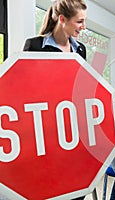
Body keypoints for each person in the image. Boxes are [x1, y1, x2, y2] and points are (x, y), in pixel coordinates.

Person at [23, 1, 87, 199]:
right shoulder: (34, 45)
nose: (83, 27)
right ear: (62, 19)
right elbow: (25, 89)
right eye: (79, 21)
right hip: (46, 131)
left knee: (77, 188)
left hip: (73, 130)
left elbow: (83, 87)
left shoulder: (81, 50)